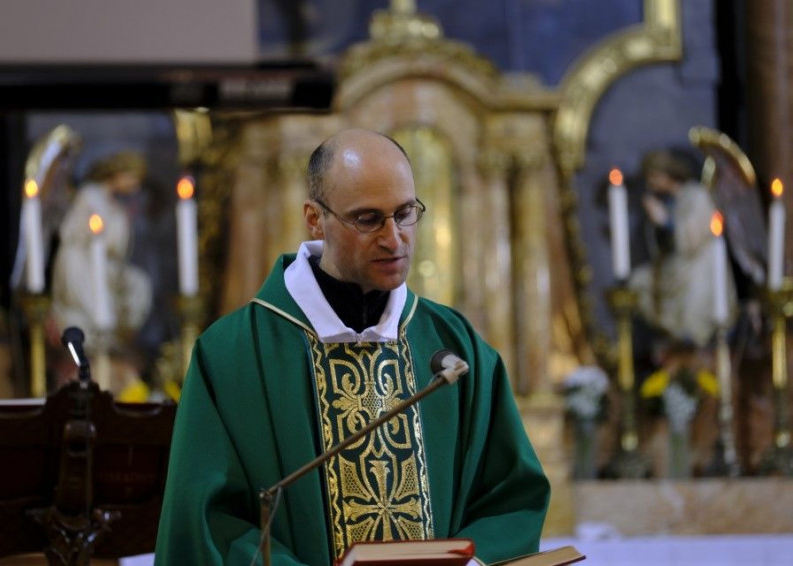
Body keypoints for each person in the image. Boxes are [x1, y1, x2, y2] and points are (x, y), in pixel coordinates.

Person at [155, 129, 550, 565]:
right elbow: (209, 523)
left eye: (405, 213)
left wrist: (471, 561)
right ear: (314, 219)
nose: (394, 238)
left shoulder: (456, 347)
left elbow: (511, 497)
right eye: (368, 219)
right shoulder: (232, 357)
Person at [50, 151, 153, 371]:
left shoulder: (116, 206)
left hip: (108, 265)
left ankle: (115, 337)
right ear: (119, 173)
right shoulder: (89, 196)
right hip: (83, 261)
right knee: (95, 287)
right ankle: (99, 338)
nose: (135, 186)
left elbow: (119, 247)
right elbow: (72, 233)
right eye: (133, 178)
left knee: (139, 284)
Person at [629, 149, 736, 348]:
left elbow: (691, 239)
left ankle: (691, 344)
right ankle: (674, 339)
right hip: (678, 264)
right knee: (638, 282)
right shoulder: (670, 201)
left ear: (667, 173)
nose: (651, 184)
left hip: (700, 265)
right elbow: (661, 247)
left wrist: (664, 221)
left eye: (654, 177)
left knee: (692, 308)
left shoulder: (696, 195)